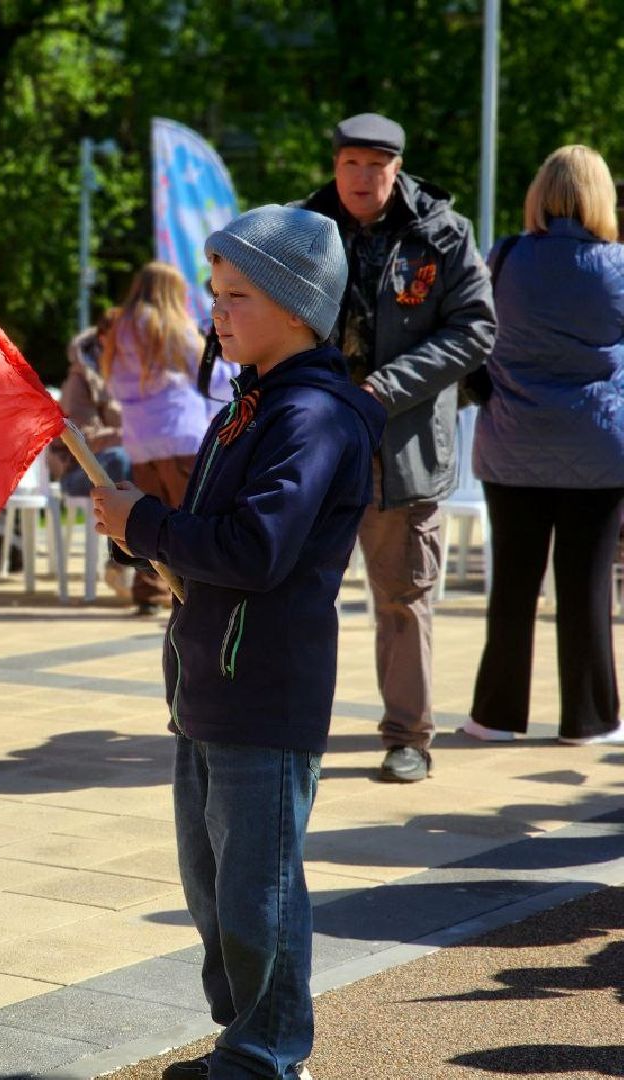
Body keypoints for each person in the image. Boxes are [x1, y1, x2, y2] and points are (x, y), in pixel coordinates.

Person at [94, 205, 385, 1080]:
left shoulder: (313, 417)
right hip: (209, 685)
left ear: (297, 308)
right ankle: (243, 1038)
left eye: (237, 296)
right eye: (216, 293)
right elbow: (211, 534)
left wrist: (147, 524)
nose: (216, 313)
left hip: (265, 690)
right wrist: (145, 529)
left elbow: (257, 549)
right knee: (212, 885)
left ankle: (266, 1053)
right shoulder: (247, 404)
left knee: (257, 892)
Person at [298, 113, 495, 782]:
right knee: (295, 593)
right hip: (313, 446)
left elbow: (475, 330)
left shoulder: (442, 234)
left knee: (403, 599)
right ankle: (293, 730)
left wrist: (386, 387)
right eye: (350, 162)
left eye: (375, 166)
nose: (361, 177)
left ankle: (408, 736)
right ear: (335, 164)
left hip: (401, 449)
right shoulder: (301, 229)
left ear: (397, 168)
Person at [461, 145, 624, 746]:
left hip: (512, 444)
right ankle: (590, 719)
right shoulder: (620, 266)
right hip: (601, 450)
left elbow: (473, 335)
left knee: (513, 587)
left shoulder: (503, 257)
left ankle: (496, 716)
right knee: (586, 590)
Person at [101, 262, 210, 614]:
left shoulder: (119, 328)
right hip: (181, 432)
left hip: (139, 436)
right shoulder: (173, 325)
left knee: (146, 515)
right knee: (188, 515)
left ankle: (149, 591)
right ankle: (195, 589)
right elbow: (208, 374)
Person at [49, 310, 134, 598]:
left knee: (167, 464)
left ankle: (160, 568)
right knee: (125, 459)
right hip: (78, 472)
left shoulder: (137, 376)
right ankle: (122, 562)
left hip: (120, 466)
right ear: (103, 338)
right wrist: (142, 437)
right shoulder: (80, 380)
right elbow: (83, 439)